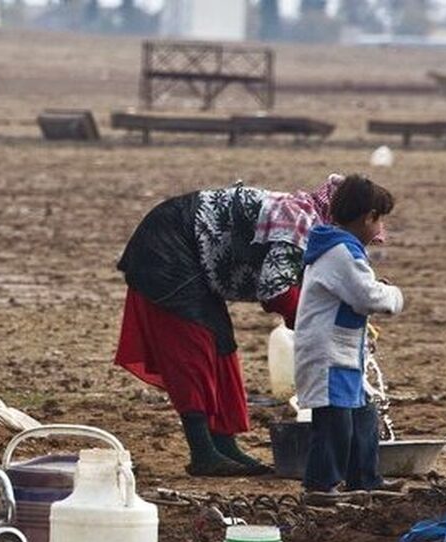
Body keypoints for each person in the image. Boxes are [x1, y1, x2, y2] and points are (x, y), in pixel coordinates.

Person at [115, 175, 344, 477]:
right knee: (193, 344)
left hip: (194, 254)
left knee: (221, 343)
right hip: (167, 247)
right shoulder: (301, 224)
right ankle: (203, 452)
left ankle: (224, 445)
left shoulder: (319, 229)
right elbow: (276, 289)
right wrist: (310, 324)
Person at [294, 175, 404, 496]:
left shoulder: (337, 247)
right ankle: (320, 485)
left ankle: (365, 479)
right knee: (334, 421)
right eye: (379, 220)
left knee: (362, 414)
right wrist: (393, 295)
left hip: (340, 351)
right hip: (328, 354)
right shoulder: (341, 252)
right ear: (368, 217)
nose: (380, 228)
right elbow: (365, 297)